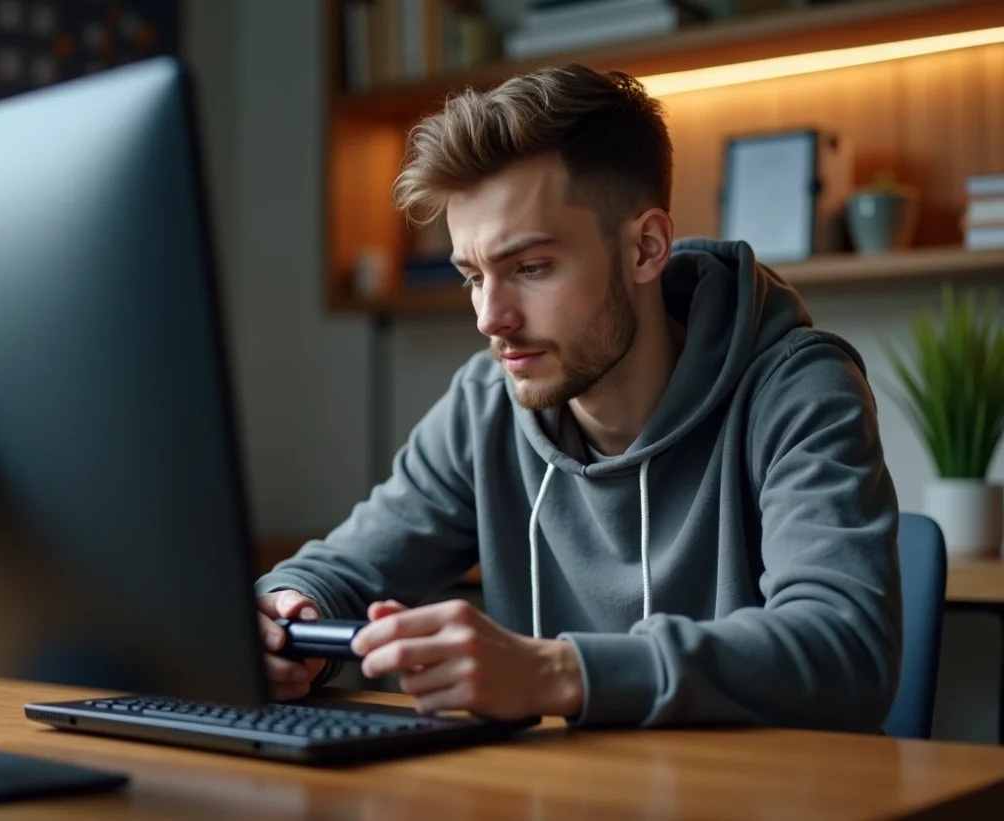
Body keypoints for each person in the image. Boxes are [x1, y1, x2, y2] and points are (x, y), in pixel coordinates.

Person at [254, 63, 901, 731]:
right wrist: (285, 613)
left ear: (646, 248)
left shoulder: (797, 389)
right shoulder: (487, 401)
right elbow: (345, 567)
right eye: (473, 275)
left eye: (529, 267)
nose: (489, 317)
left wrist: (556, 671)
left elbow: (844, 649)